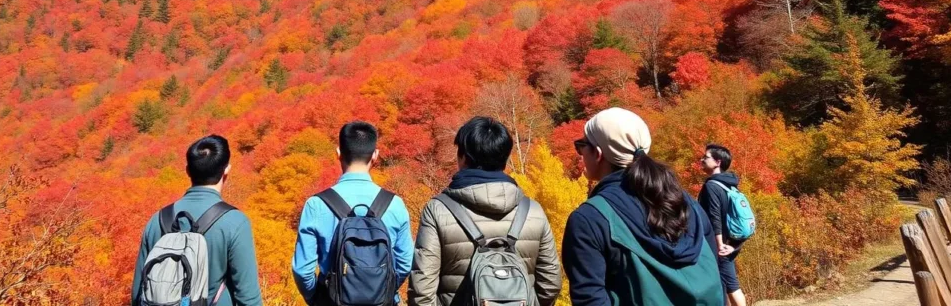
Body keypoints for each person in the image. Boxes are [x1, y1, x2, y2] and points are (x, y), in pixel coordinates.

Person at [562, 107, 723, 306]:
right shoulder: (687, 203)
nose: (579, 153)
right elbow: (716, 270)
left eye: (581, 146)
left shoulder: (589, 219)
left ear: (598, 153)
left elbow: (590, 299)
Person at [408, 116, 562, 306]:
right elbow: (550, 284)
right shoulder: (533, 211)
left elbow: (422, 289)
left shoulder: (438, 209)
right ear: (505, 160)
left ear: (463, 158)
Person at [132, 135, 263, 306]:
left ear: (188, 171)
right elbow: (249, 298)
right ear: (226, 170)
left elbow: (137, 292)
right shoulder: (235, 222)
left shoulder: (157, 220)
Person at [292, 121, 414, 305]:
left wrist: (316, 298)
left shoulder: (316, 205)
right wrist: (382, 290)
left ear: (338, 153)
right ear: (375, 155)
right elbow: (405, 263)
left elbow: (303, 270)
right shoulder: (395, 204)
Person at [699, 144, 747, 306]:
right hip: (731, 243)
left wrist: (720, 245)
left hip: (720, 246)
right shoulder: (729, 185)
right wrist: (735, 245)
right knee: (723, 284)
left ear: (717, 162)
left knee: (731, 286)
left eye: (705, 157)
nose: (702, 160)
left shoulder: (712, 186)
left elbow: (714, 217)